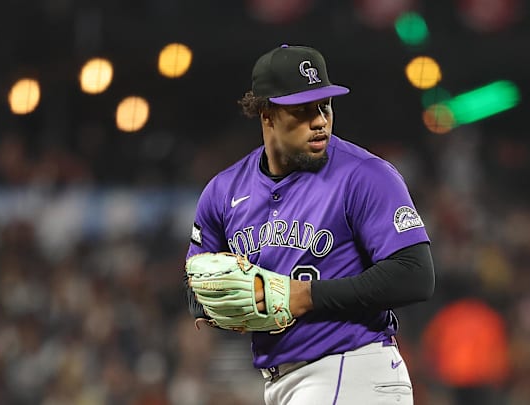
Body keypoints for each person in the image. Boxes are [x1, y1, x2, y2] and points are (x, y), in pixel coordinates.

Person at [184, 43, 435, 405]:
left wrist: (304, 296)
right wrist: (230, 301)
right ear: (267, 114)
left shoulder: (364, 174)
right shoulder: (224, 191)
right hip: (281, 382)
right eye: (302, 110)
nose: (319, 120)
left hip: (351, 368)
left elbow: (414, 274)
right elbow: (196, 287)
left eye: (324, 105)